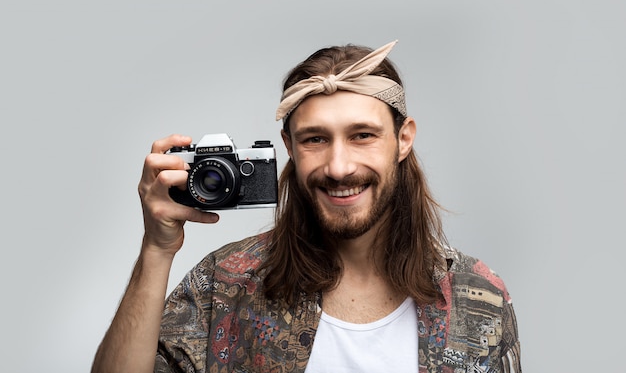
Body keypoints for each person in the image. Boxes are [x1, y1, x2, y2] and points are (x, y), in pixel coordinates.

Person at [92, 41, 521, 373]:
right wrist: (156, 250)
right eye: (315, 139)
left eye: (362, 135)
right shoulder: (224, 284)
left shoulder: (480, 297)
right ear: (289, 148)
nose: (338, 167)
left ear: (403, 138)